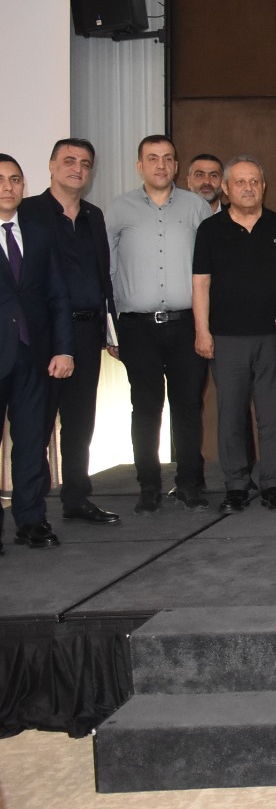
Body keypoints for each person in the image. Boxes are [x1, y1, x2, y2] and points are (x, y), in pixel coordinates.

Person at [107, 135, 214, 513]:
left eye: (168, 158)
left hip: (187, 325)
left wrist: (207, 325)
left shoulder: (197, 207)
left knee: (188, 406)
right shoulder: (117, 210)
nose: (161, 165)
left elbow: (211, 268)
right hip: (137, 328)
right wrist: (110, 329)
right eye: (152, 158)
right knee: (145, 407)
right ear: (140, 166)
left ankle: (189, 483)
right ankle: (149, 486)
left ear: (176, 165)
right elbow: (106, 271)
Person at [20, 138, 118, 525]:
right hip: (42, 336)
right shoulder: (28, 212)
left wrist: (110, 329)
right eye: (69, 160)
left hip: (87, 332)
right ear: (51, 165)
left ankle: (76, 499)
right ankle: (31, 509)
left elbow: (102, 276)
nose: (78, 168)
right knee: (37, 424)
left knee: (80, 423)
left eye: (85, 163)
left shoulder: (94, 215)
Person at [192, 156, 276, 513]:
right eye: (239, 182)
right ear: (225, 188)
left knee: (272, 414)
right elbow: (200, 285)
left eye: (254, 181)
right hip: (225, 338)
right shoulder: (210, 230)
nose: (248, 188)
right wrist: (202, 331)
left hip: (273, 337)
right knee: (231, 414)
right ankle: (236, 484)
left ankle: (273, 484)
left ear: (263, 186)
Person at [0, 154, 76, 549]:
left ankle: (31, 521)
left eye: (15, 179)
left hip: (34, 356)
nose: (8, 187)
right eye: (0, 180)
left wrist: (64, 349)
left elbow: (58, 295)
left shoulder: (39, 233)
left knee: (32, 442)